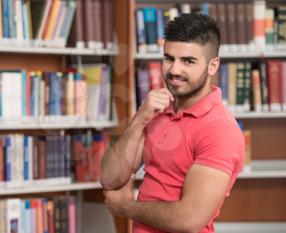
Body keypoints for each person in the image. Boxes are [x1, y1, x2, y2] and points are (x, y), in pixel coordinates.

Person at [100, 13, 244, 233]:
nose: (174, 70)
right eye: (169, 58)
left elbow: (189, 219)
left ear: (213, 66)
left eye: (188, 61)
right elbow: (109, 179)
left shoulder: (220, 130)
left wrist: (127, 207)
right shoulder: (157, 110)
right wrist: (139, 120)